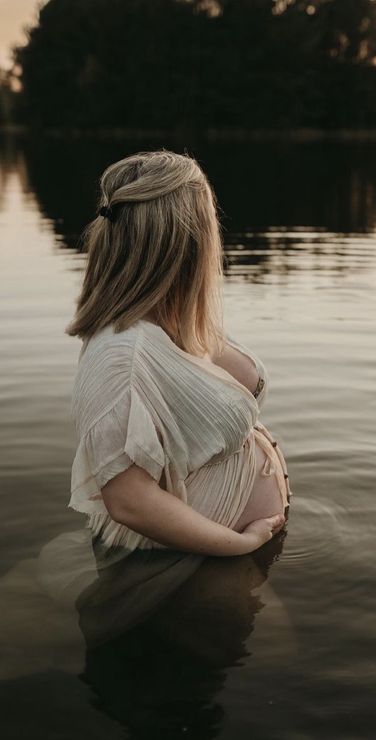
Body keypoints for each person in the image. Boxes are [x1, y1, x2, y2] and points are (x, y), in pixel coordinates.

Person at [65, 148, 293, 558]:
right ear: (187, 239)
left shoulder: (173, 321)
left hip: (207, 557)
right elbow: (129, 500)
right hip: (175, 568)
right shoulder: (121, 355)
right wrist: (239, 545)